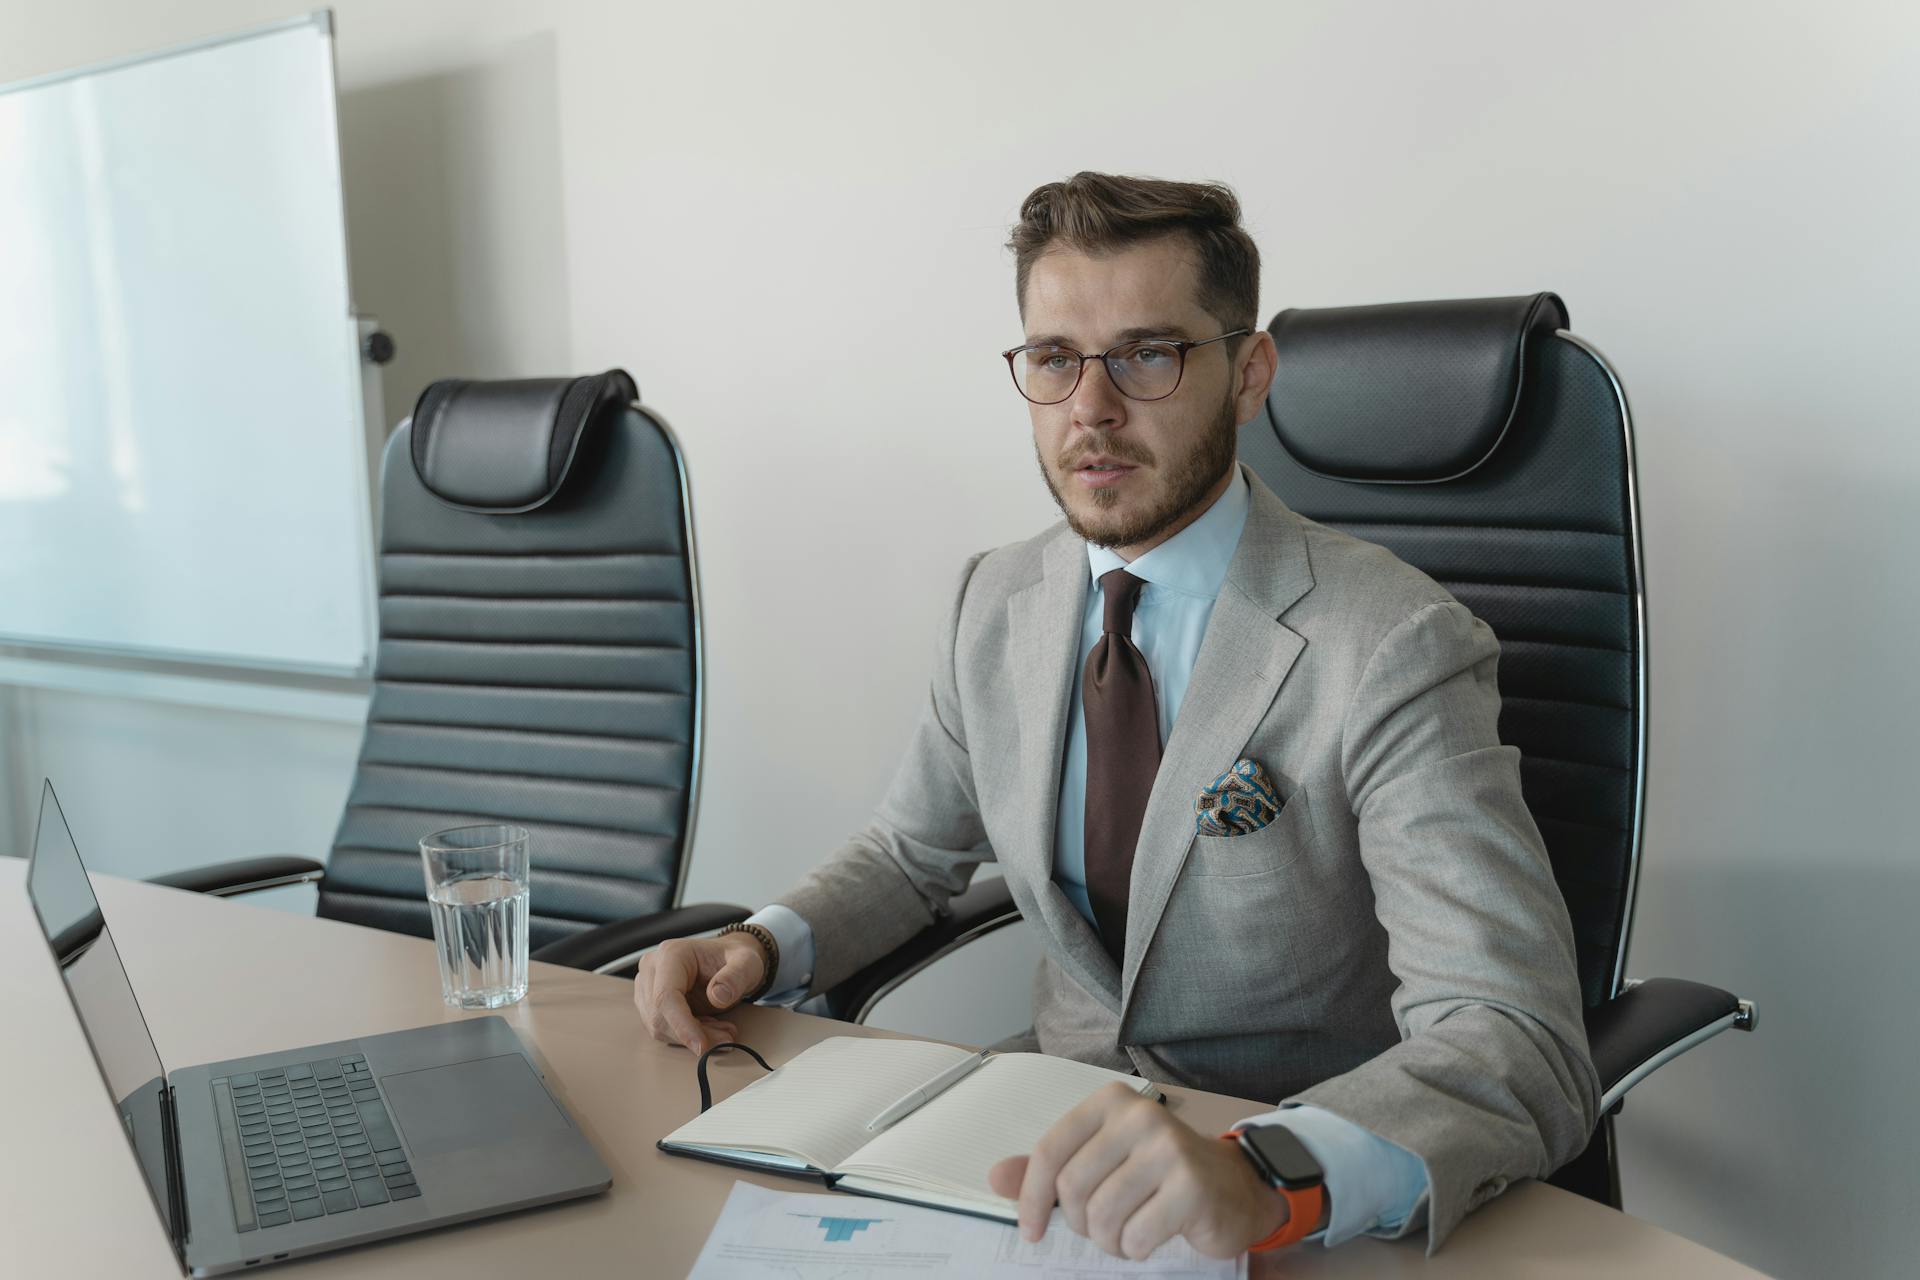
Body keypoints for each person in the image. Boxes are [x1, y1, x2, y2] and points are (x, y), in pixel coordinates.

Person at [633, 171, 1597, 1259]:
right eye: (1054, 359)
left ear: (1249, 374)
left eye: (1148, 354)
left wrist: (1266, 1169)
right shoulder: (992, 599)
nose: (1091, 408)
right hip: (1047, 1160)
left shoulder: (1392, 642)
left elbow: (1513, 1032)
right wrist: (759, 943)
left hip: (1291, 1192)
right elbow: (910, 852)